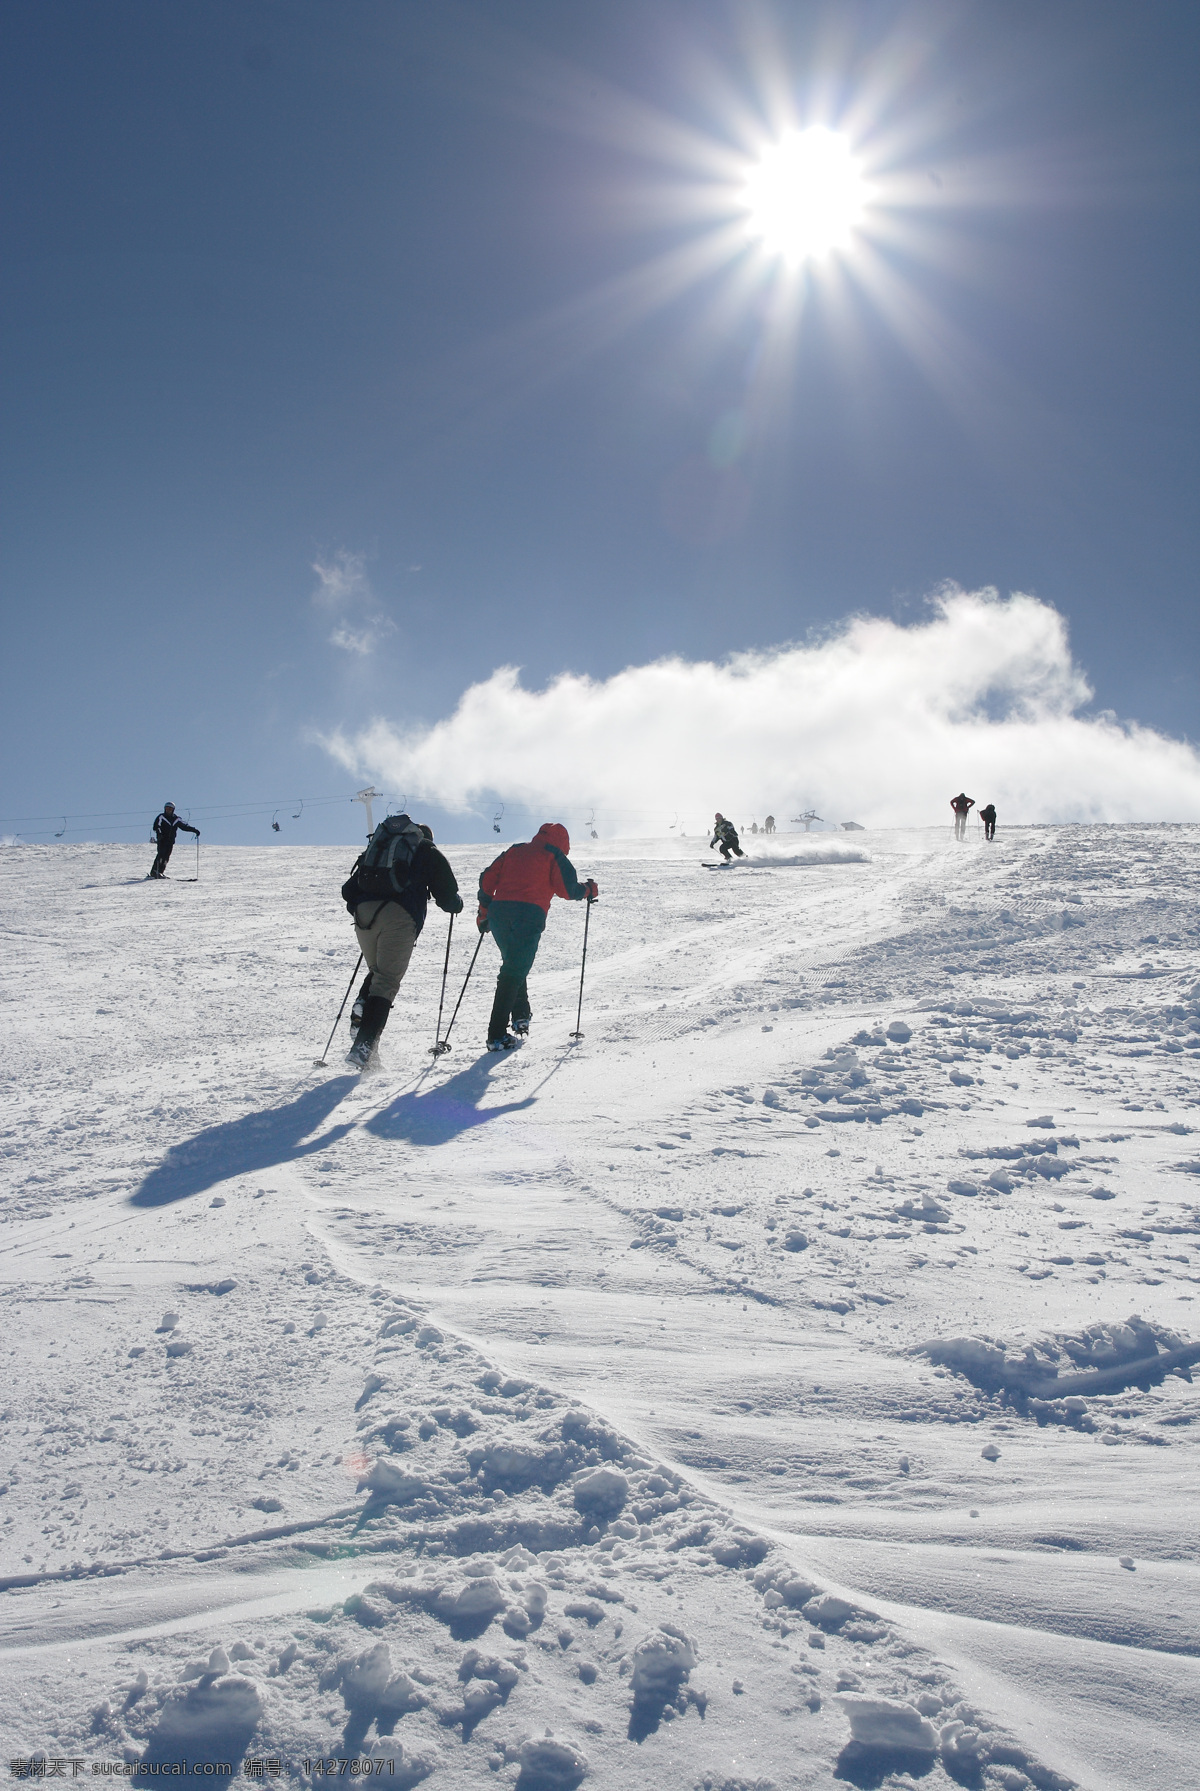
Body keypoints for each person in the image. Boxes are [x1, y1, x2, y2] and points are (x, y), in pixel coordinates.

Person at [340, 815, 463, 1070]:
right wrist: (455, 904)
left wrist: (361, 908)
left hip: (364, 917)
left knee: (378, 973)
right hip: (398, 917)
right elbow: (447, 891)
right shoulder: (426, 849)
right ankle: (363, 1049)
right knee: (386, 982)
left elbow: (348, 890)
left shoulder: (380, 848)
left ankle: (363, 1007)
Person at [477, 822, 598, 1051]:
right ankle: (496, 1035)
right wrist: (588, 890)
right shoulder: (554, 855)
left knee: (514, 964)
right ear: (563, 843)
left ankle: (521, 1014)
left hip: (499, 914)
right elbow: (568, 889)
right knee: (513, 970)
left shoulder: (515, 850)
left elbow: (487, 879)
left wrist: (484, 910)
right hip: (528, 914)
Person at [149, 802, 199, 878]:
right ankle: (154, 872)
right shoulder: (161, 817)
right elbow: (156, 826)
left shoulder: (176, 819)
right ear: (164, 809)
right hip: (162, 840)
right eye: (167, 808)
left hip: (170, 841)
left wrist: (194, 830)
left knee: (166, 857)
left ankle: (160, 872)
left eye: (170, 809)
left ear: (173, 810)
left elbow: (184, 826)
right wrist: (159, 833)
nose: (168, 810)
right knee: (161, 855)